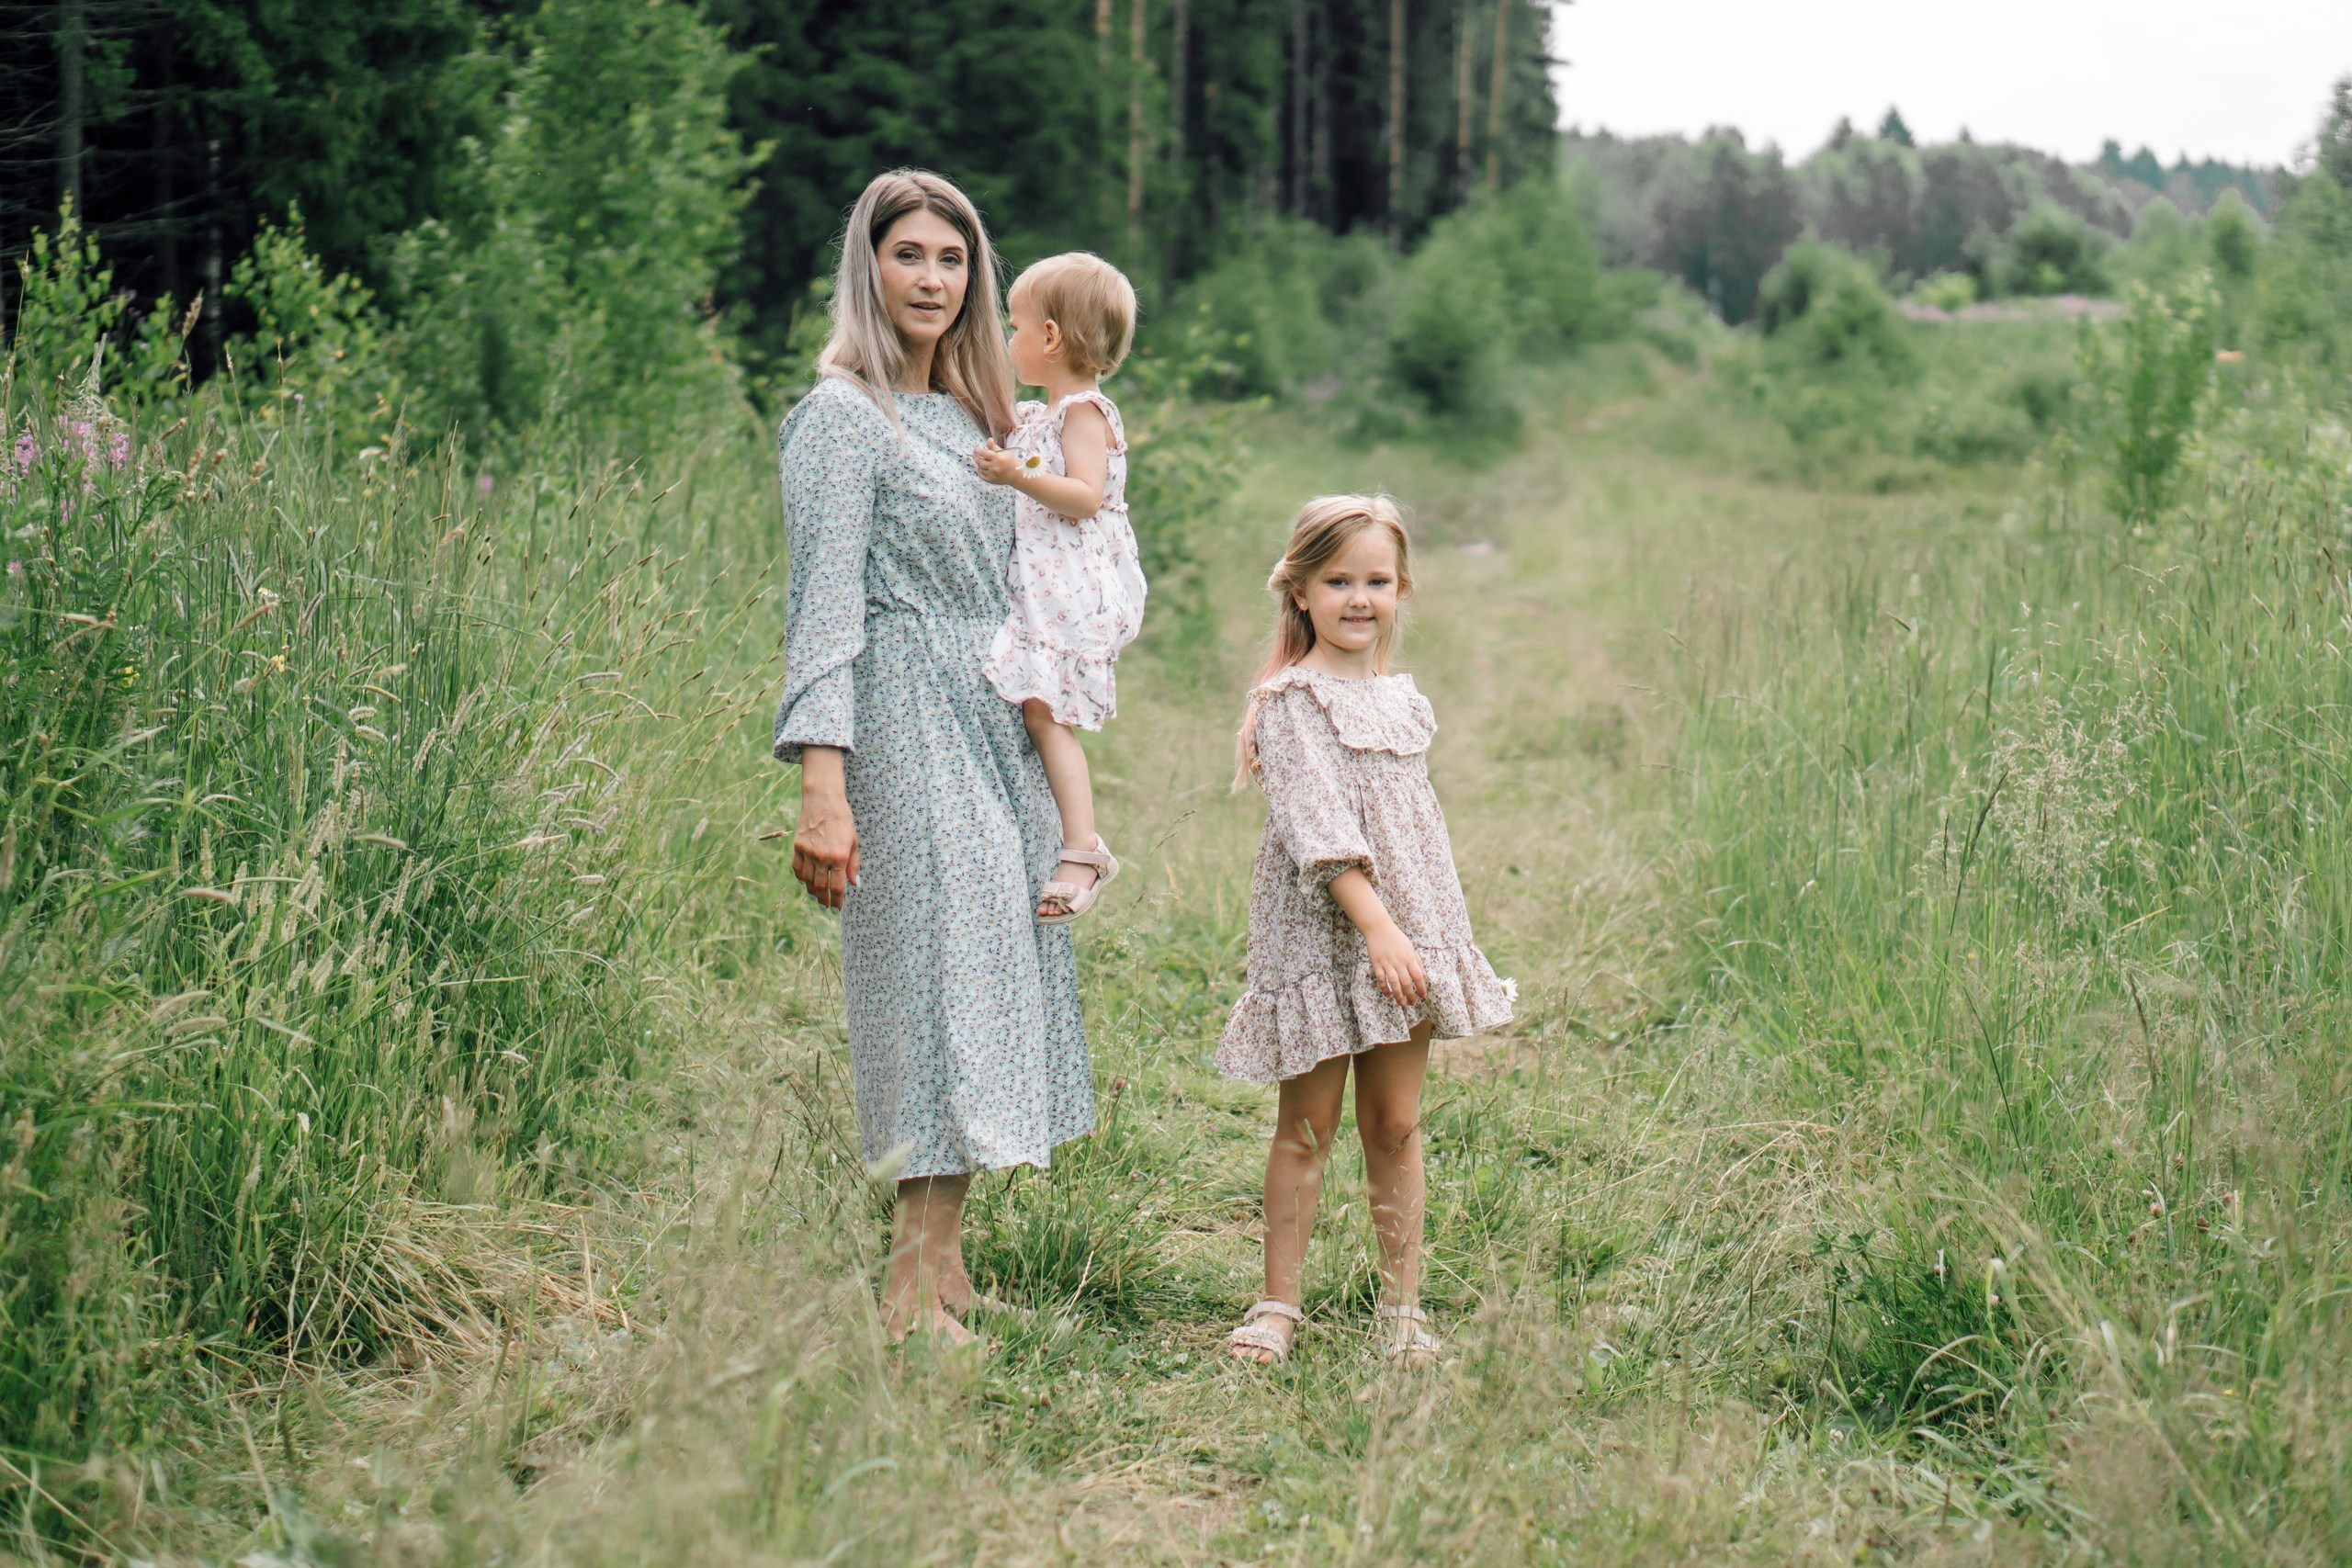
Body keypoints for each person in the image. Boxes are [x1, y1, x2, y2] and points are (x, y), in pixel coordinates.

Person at [772, 170, 1091, 1347]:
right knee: (937, 984)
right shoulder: (841, 418)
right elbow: (823, 610)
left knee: (993, 971)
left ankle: (946, 1269)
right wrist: (823, 782)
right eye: (907, 254)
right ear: (868, 267)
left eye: (951, 260)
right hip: (900, 712)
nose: (931, 278)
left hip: (992, 713)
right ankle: (906, 1293)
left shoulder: (976, 418)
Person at [1216, 495, 1516, 1368]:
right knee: (1308, 1124)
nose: (1359, 598)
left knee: (1395, 1121)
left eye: (1377, 581)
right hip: (1325, 935)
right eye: (1338, 581)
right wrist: (1379, 929)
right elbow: (1321, 831)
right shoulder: (1289, 701)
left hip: (1407, 932)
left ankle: (1401, 1309)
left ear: (1401, 590)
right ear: (1300, 590)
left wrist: (1411, 933)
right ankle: (1278, 1304)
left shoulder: (1399, 699)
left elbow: (1413, 830)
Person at [973, 253, 1146, 922]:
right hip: (1047, 583)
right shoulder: (1043, 414)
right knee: (1035, 711)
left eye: (1014, 326)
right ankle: (1071, 841)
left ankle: (1084, 848)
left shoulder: (1084, 412)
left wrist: (1016, 475)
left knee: (1048, 714)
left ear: (1048, 337)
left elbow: (1084, 495)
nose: (1008, 339)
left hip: (1075, 588)